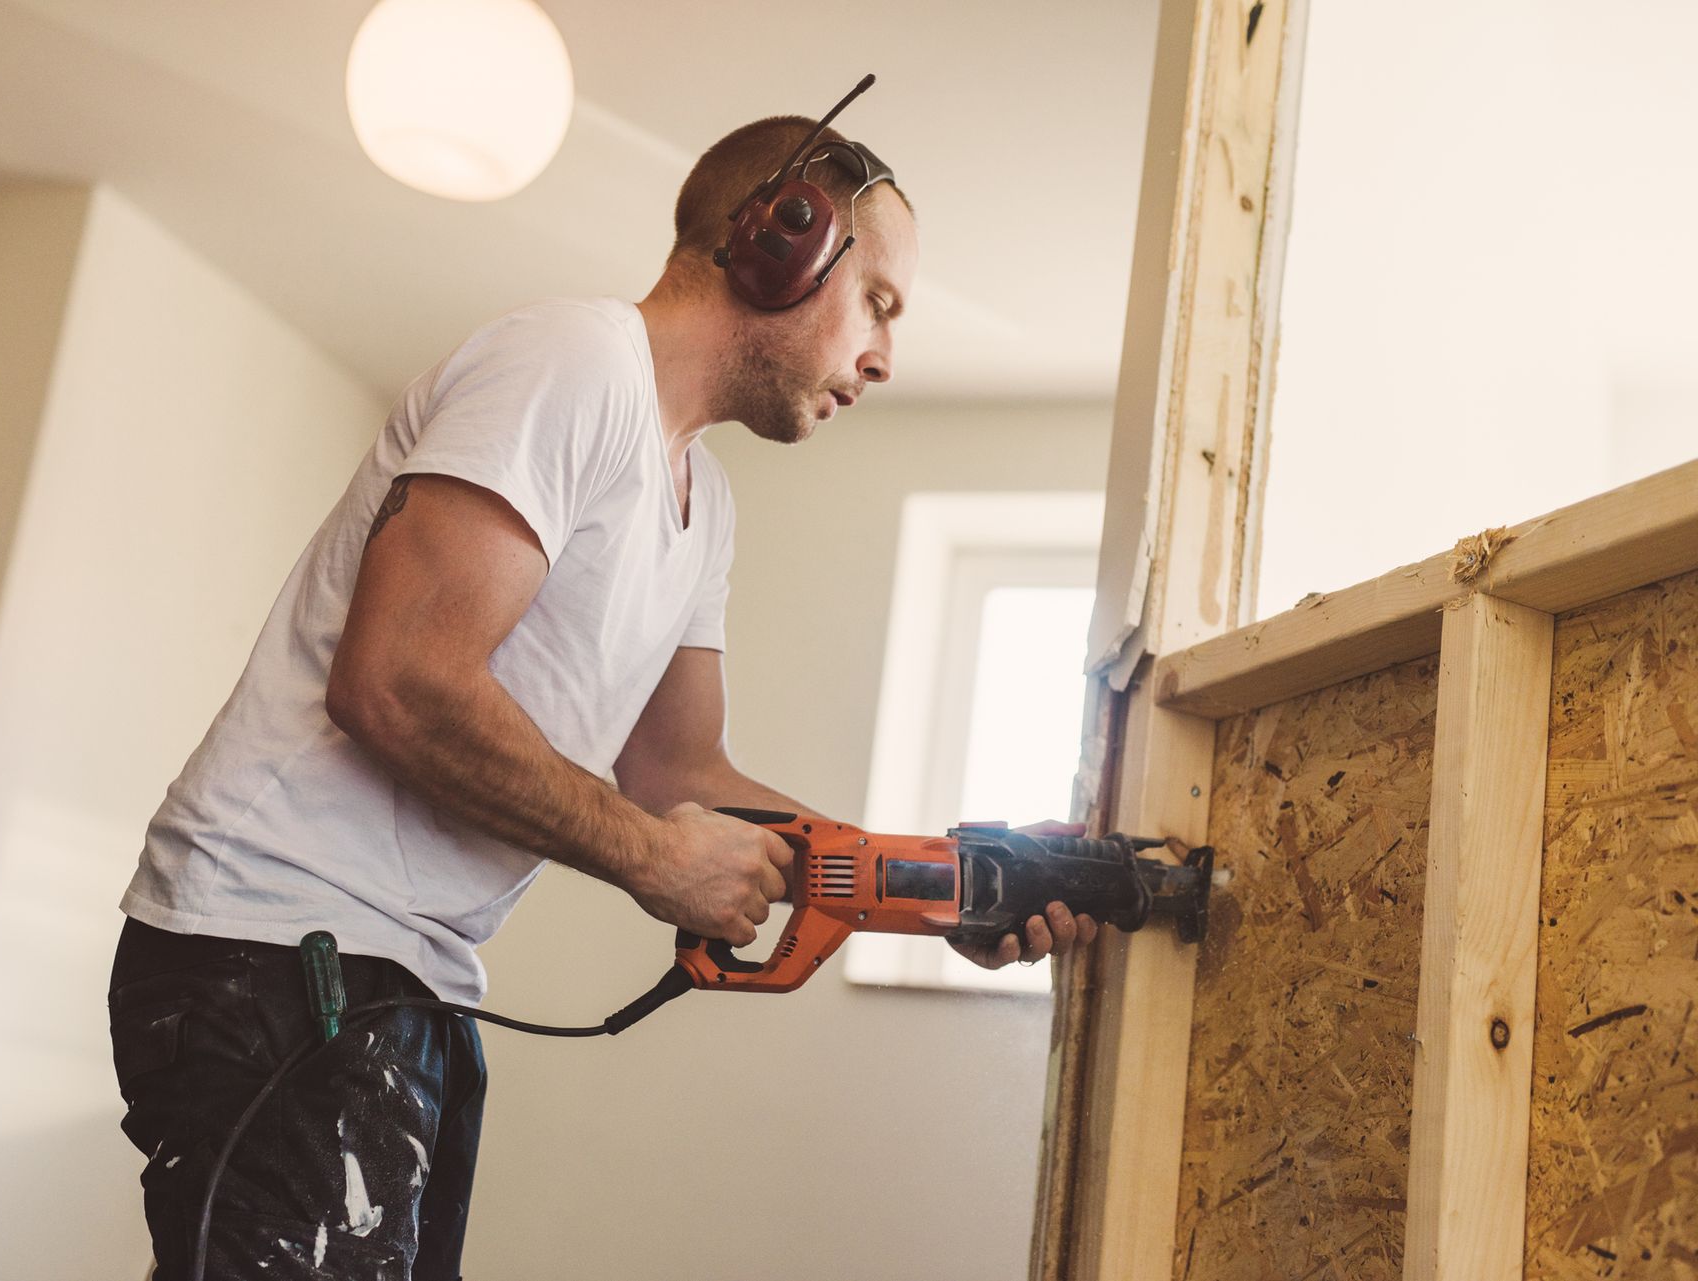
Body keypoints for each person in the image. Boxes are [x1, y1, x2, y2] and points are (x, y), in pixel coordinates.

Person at [106, 108, 1096, 1281]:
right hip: (274, 947)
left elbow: (680, 778)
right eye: (878, 301)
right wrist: (648, 858)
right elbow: (397, 682)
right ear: (787, 237)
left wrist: (947, 889)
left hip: (404, 986)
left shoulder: (702, 504)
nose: (885, 357)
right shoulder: (571, 363)